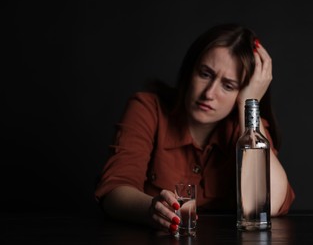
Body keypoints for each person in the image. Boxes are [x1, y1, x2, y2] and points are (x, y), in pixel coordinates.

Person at [95, 23, 295, 234]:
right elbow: (114, 190)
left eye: (228, 86)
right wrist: (152, 210)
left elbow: (268, 204)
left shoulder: (250, 130)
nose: (209, 93)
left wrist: (249, 104)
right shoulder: (148, 109)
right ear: (190, 70)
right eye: (205, 74)